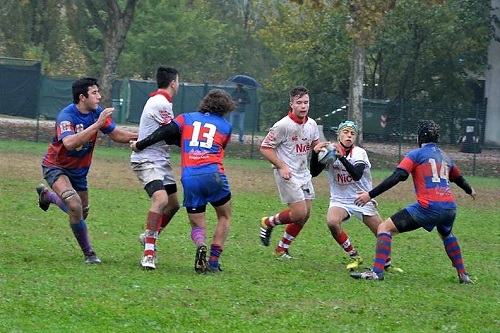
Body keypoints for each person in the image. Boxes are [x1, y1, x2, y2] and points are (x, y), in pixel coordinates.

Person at [351, 120, 477, 283]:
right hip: (450, 208)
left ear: (419, 137)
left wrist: (370, 194)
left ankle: (376, 272)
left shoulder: (416, 155)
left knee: (384, 228)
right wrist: (470, 190)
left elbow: (398, 176)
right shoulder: (445, 157)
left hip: (429, 206)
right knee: (446, 234)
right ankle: (463, 274)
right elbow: (458, 178)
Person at [130, 89, 236, 273]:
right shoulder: (226, 126)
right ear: (226, 107)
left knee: (197, 222)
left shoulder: (186, 118)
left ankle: (200, 243)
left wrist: (140, 144)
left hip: (190, 176)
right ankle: (212, 262)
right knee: (224, 216)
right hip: (213, 174)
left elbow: (166, 131)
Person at [36, 77, 138, 264]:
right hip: (56, 166)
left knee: (81, 212)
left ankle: (48, 197)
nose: (99, 96)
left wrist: (147, 135)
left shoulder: (96, 112)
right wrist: (98, 124)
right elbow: (69, 143)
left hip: (79, 171)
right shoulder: (66, 116)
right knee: (74, 206)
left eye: (98, 92)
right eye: (94, 93)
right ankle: (89, 254)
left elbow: (117, 135)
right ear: (82, 97)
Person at [309, 120, 400, 272]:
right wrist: (315, 154)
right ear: (339, 134)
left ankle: (386, 263)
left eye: (352, 133)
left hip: (362, 198)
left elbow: (357, 175)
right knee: (332, 222)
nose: (349, 136)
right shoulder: (330, 150)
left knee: (382, 231)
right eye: (345, 132)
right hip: (340, 199)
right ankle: (354, 255)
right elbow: (314, 173)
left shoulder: (359, 153)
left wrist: (342, 158)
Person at [259, 86, 320, 259]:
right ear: (291, 104)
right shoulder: (282, 125)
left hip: (303, 173)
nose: (303, 106)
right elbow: (265, 148)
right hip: (287, 174)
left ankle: (281, 249)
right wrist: (282, 166)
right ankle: (268, 222)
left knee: (305, 215)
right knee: (299, 213)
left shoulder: (312, 124)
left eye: (306, 102)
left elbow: (315, 145)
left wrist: (324, 149)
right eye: (299, 103)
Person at [130, 66, 181, 270]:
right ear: (173, 83)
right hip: (146, 160)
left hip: (161, 160)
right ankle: (148, 254)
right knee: (160, 200)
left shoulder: (162, 102)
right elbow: (169, 133)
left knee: (173, 205)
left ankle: (149, 236)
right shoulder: (160, 102)